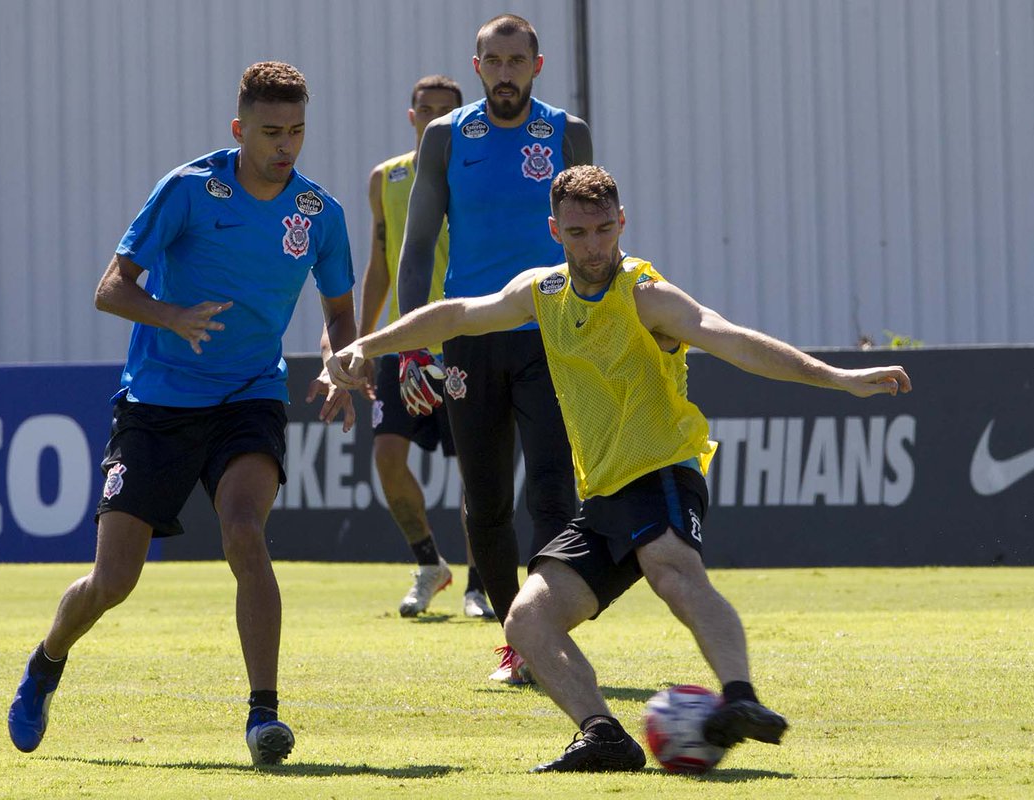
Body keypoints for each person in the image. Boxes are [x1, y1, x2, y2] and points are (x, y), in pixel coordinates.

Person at [328, 164, 912, 772]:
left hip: (661, 469)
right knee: (526, 621)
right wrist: (367, 344)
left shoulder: (645, 294)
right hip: (603, 497)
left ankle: (740, 697)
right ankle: (603, 734)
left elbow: (730, 338)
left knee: (670, 568)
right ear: (554, 231)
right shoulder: (542, 292)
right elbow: (456, 315)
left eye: (604, 229)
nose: (593, 246)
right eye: (578, 233)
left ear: (622, 222)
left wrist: (837, 377)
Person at [7, 62, 357, 768]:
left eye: (296, 131)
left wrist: (337, 361)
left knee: (244, 532)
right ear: (239, 129)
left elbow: (340, 314)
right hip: (158, 403)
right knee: (113, 582)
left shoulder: (320, 212)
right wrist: (172, 316)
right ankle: (47, 661)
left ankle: (264, 716)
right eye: (270, 132)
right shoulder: (188, 189)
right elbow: (110, 289)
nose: (285, 145)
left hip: (250, 394)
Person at [394, 13, 593, 682]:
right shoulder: (447, 136)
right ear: (477, 67)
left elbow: (593, 237)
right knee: (484, 503)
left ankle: (547, 635)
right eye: (494, 62)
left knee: (552, 492)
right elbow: (418, 245)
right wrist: (413, 344)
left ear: (538, 65)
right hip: (470, 340)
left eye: (517, 61)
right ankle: (518, 640)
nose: (506, 73)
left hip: (552, 336)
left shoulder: (566, 132)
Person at [360, 74, 495, 620]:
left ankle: (480, 586)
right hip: (405, 345)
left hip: (465, 341)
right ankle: (428, 564)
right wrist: (363, 341)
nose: (434, 118)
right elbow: (380, 263)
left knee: (476, 473)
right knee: (387, 458)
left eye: (446, 111)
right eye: (426, 109)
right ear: (411, 115)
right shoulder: (386, 178)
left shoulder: (478, 174)